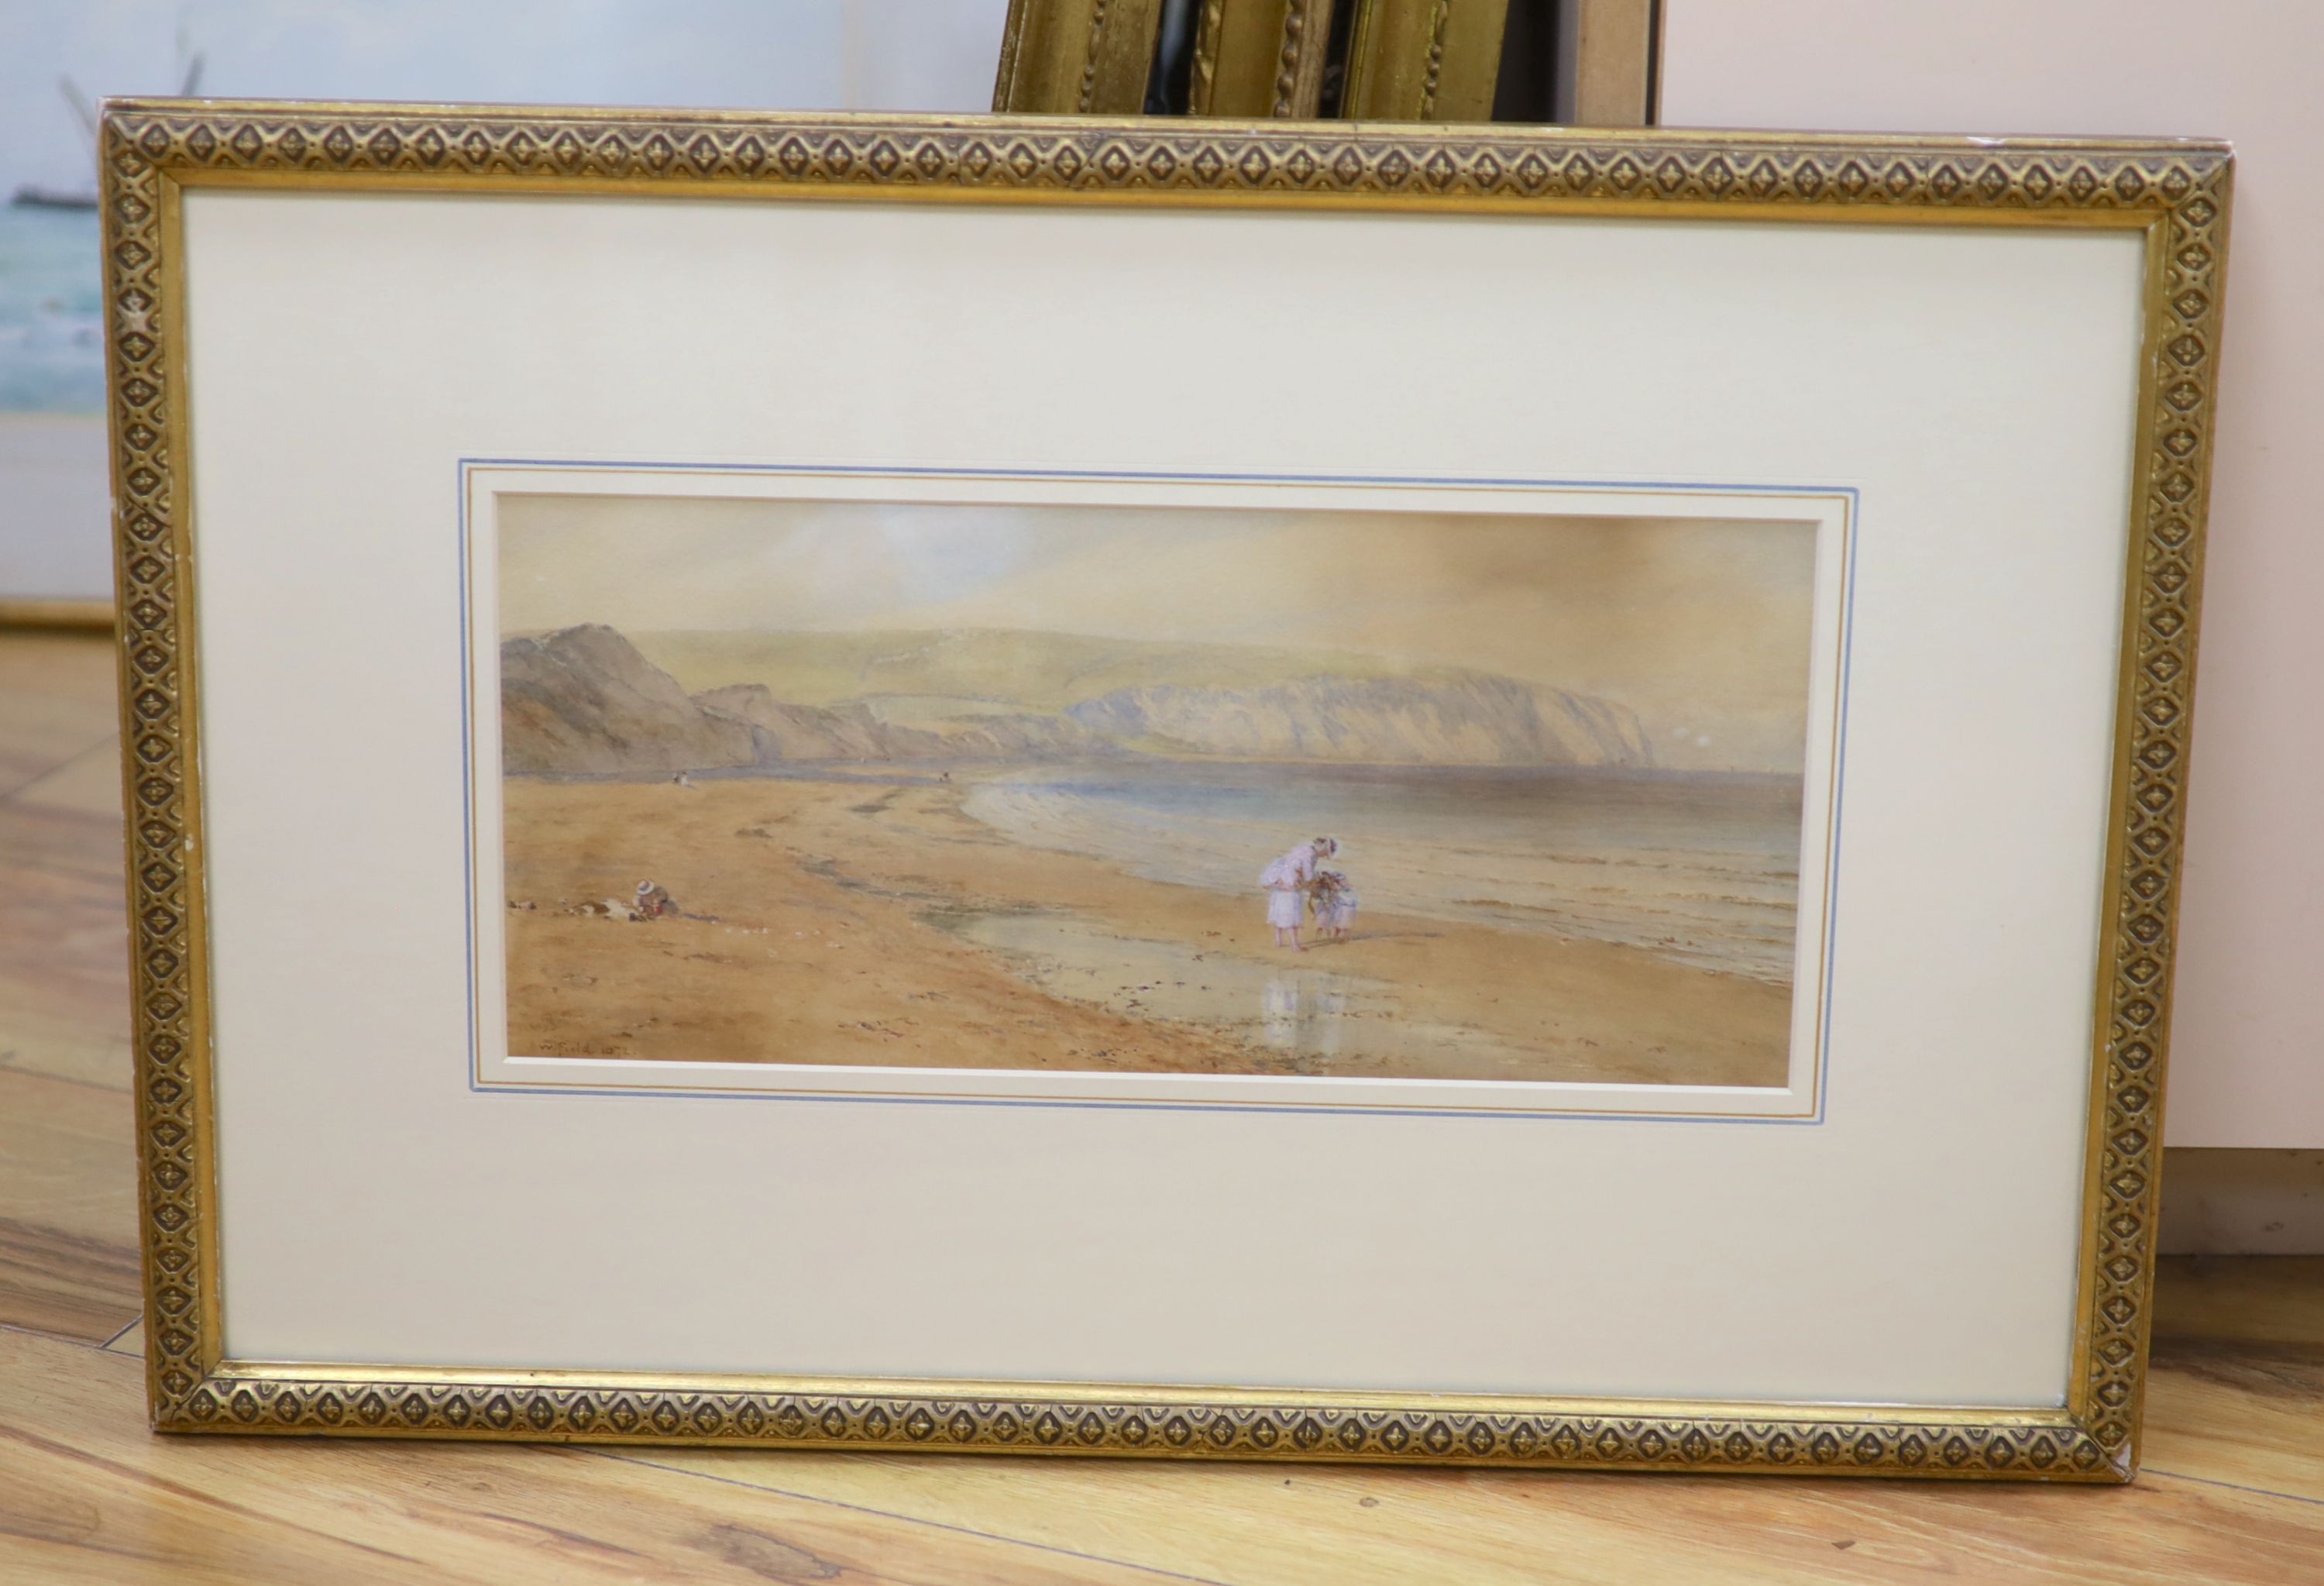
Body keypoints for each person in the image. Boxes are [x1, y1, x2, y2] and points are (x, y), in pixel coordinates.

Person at [1258, 835, 1336, 951]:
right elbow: (1308, 876)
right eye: (1326, 852)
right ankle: (1295, 946)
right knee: (1292, 916)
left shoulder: (1304, 848)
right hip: (1291, 885)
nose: (1325, 855)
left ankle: (1279, 941)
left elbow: (1296, 866)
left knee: (1279, 913)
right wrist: (1316, 885)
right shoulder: (1310, 854)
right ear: (1322, 848)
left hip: (1281, 882)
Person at [1313, 869, 1358, 941]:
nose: (1344, 881)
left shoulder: (1342, 888)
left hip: (1344, 907)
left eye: (1344, 880)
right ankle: (1334, 936)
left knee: (1342, 923)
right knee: (1335, 922)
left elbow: (1352, 897)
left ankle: (1339, 936)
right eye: (1342, 880)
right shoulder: (1333, 889)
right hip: (1338, 907)